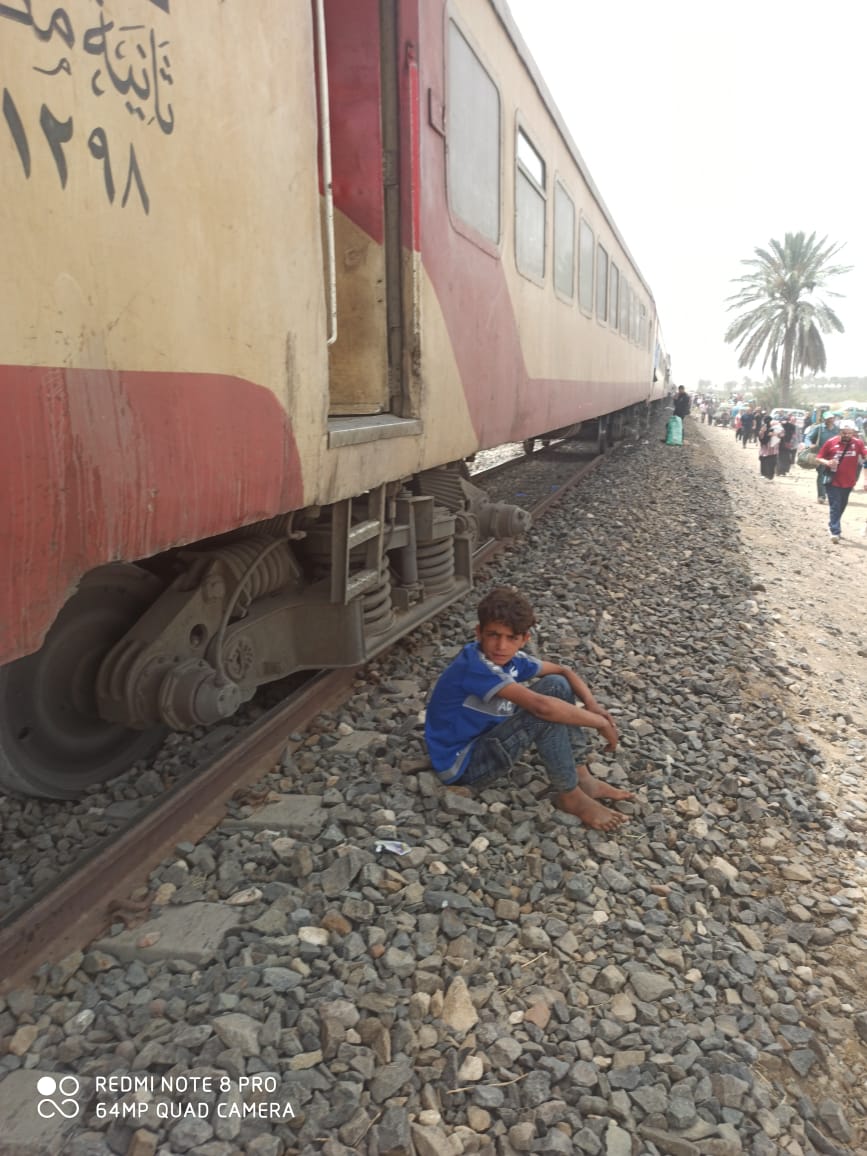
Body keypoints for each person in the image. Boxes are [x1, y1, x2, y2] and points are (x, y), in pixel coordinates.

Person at [424, 587, 633, 831]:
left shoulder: (512, 660)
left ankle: (582, 776)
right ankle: (570, 795)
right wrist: (601, 723)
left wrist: (592, 705)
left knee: (556, 684)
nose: (501, 646)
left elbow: (563, 671)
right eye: (493, 635)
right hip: (464, 764)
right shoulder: (475, 666)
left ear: (524, 639)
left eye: (511, 638)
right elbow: (542, 707)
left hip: (486, 739)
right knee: (544, 715)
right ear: (479, 633)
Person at [816, 420, 867, 541]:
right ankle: (835, 531)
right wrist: (827, 462)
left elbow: (865, 456)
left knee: (842, 505)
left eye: (849, 433)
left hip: (849, 481)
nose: (847, 435)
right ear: (840, 432)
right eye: (844, 433)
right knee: (835, 505)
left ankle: (832, 524)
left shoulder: (858, 443)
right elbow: (819, 457)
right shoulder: (831, 442)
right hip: (833, 480)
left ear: (853, 433)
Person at [806, 412, 839, 503]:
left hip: (835, 456)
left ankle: (830, 493)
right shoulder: (819, 428)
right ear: (824, 419)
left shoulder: (837, 429)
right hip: (822, 455)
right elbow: (808, 438)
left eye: (832, 418)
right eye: (828, 419)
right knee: (821, 474)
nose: (830, 420)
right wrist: (810, 445)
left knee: (833, 475)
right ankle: (821, 496)